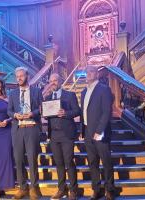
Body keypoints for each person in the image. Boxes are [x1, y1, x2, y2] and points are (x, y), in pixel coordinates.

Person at [7, 66, 43, 199]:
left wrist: (32, 113)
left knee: (32, 158)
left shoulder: (36, 91)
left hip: (32, 128)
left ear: (27, 76)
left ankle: (34, 187)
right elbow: (9, 111)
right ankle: (23, 187)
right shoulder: (13, 93)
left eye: (21, 76)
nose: (19, 79)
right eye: (17, 77)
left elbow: (41, 108)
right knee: (18, 159)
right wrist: (15, 115)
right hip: (18, 130)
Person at [80, 66, 115, 200]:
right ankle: (96, 189)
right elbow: (84, 113)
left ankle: (109, 190)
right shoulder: (83, 92)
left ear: (96, 74)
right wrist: (82, 131)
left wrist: (99, 131)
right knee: (92, 162)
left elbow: (106, 112)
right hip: (88, 132)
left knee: (106, 162)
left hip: (101, 133)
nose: (88, 74)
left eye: (91, 72)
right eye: (87, 72)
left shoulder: (104, 89)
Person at [43, 73, 80, 200]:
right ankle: (61, 189)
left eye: (55, 80)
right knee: (58, 163)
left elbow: (77, 111)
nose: (53, 83)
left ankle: (73, 191)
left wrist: (66, 113)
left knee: (69, 162)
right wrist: (45, 114)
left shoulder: (70, 95)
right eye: (51, 81)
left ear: (60, 82)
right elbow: (46, 114)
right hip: (53, 135)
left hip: (66, 134)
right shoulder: (47, 98)